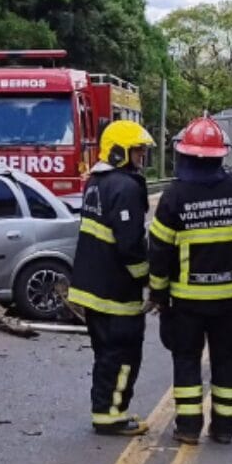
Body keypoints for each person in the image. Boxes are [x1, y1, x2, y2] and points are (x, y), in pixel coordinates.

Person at [148, 116, 232, 446]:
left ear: (184, 155)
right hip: (228, 301)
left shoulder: (173, 197)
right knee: (226, 361)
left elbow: (159, 251)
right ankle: (224, 428)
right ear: (220, 156)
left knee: (186, 361)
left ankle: (188, 427)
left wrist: (158, 295)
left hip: (187, 302)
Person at [67, 120, 156, 436]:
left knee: (106, 355)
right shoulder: (125, 187)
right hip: (115, 293)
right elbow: (130, 245)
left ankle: (104, 410)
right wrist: (147, 279)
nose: (141, 157)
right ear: (120, 152)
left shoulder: (95, 182)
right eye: (137, 151)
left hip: (92, 290)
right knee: (123, 355)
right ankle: (112, 416)